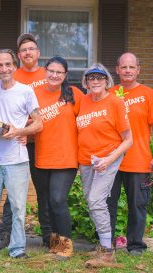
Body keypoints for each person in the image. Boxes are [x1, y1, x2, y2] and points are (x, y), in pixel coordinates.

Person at [0, 49, 43, 260]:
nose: (4, 68)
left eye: (8, 64)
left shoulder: (26, 91)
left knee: (18, 207)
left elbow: (39, 123)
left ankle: (17, 249)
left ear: (14, 66)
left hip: (17, 159)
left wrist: (19, 131)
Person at [76, 63, 132, 268]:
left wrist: (109, 160)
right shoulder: (83, 101)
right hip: (85, 160)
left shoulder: (115, 102)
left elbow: (128, 139)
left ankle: (108, 252)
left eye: (100, 78)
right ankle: (103, 244)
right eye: (91, 78)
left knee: (96, 201)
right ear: (86, 82)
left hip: (107, 158)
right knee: (91, 202)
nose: (96, 81)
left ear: (107, 80)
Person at [0, 33, 51, 250]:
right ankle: (6, 233)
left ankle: (48, 235)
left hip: (44, 140)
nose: (28, 52)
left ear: (38, 53)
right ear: (18, 56)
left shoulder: (49, 74)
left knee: (43, 190)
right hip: (19, 141)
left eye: (32, 48)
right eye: (23, 50)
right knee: (13, 191)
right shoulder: (12, 75)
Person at [34, 56, 84, 259]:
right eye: (51, 71)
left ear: (65, 75)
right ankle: (54, 243)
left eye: (59, 72)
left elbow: (87, 122)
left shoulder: (74, 94)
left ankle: (66, 245)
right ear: (45, 71)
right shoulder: (34, 94)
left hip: (66, 157)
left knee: (57, 199)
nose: (54, 75)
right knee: (46, 202)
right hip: (42, 156)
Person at [107, 53, 153, 256]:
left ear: (138, 70)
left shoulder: (148, 94)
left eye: (131, 67)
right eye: (123, 67)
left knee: (137, 205)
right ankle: (106, 243)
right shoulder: (109, 93)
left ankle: (135, 245)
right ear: (117, 70)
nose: (127, 71)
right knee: (108, 204)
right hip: (112, 160)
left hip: (139, 160)